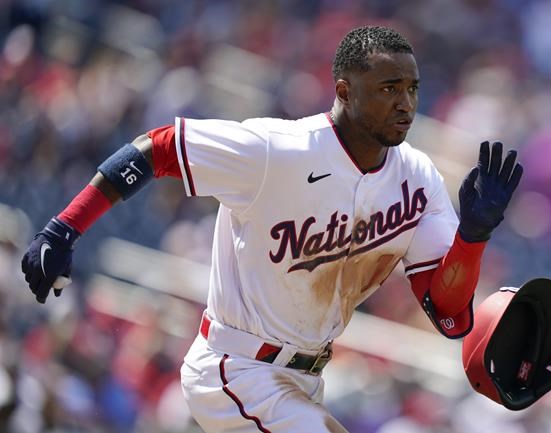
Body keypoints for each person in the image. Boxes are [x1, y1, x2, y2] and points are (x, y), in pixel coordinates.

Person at [21, 26, 522, 433]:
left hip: (303, 381)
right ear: (344, 92)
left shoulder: (418, 178)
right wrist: (64, 228)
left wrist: (473, 236)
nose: (405, 103)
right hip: (235, 367)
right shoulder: (276, 151)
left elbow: (450, 316)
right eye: (388, 88)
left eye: (412, 88)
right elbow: (158, 147)